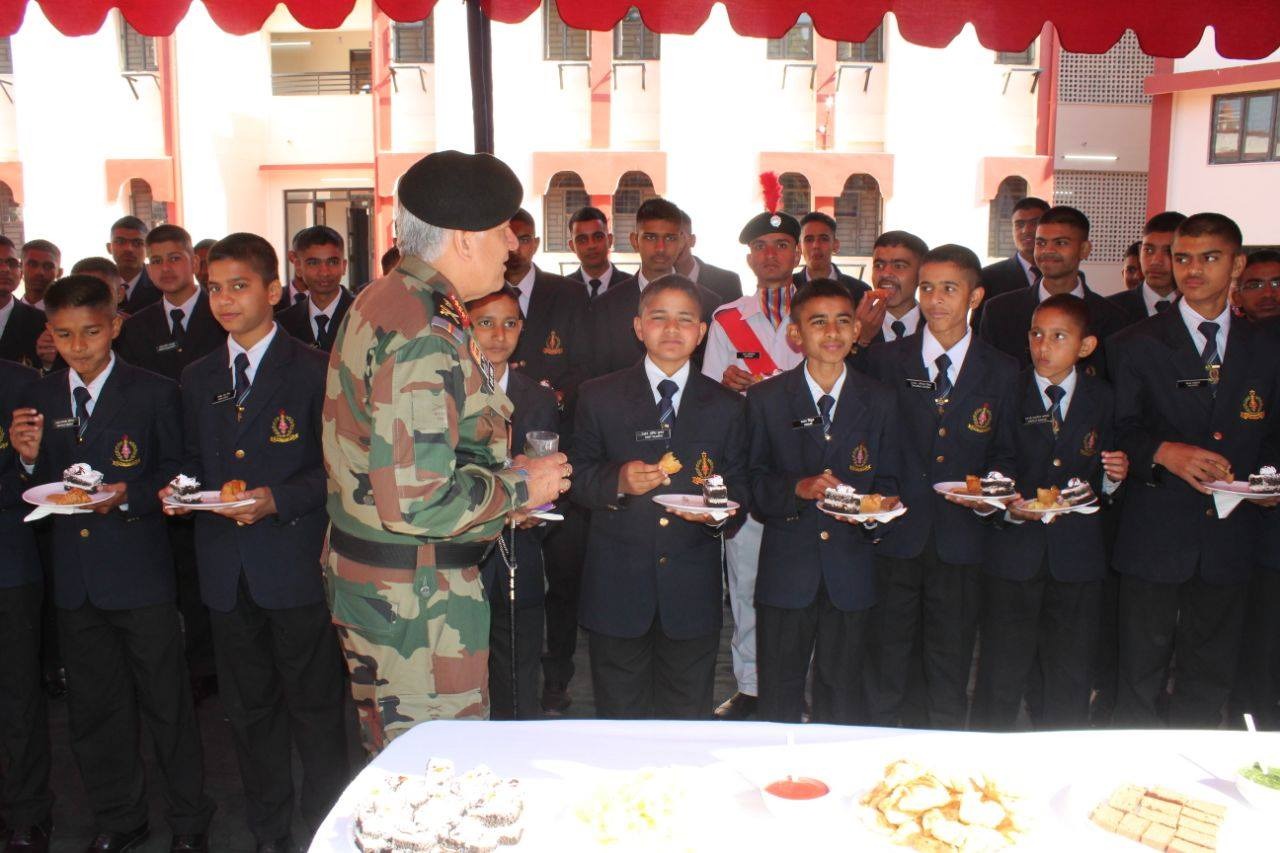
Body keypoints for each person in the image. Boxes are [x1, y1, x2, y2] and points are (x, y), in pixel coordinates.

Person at [322, 150, 568, 753]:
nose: (513, 244)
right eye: (503, 228)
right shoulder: (424, 332)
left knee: (402, 762)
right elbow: (417, 500)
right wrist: (521, 487)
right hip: (417, 605)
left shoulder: (391, 297)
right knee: (434, 776)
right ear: (462, 240)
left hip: (395, 589)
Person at [8, 276, 214, 853]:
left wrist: (128, 494)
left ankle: (190, 820)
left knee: (167, 704)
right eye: (65, 334)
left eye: (92, 332)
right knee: (95, 711)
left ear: (116, 326)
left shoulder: (152, 391)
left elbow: (181, 473)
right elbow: (37, 484)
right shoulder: (42, 397)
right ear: (49, 332)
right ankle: (118, 817)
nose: (79, 345)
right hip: (74, 580)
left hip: (141, 573)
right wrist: (27, 463)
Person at [165, 233, 350, 852]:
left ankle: (326, 826)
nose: (224, 299)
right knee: (248, 714)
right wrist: (182, 492)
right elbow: (191, 461)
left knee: (316, 709)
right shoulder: (196, 375)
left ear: (275, 290)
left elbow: (339, 471)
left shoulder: (315, 370)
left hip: (293, 563)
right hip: (226, 571)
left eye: (239, 286)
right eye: (214, 287)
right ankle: (269, 832)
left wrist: (278, 498)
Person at [1109, 212, 1280, 728]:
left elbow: (1273, 437)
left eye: (1210, 257)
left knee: (1210, 672)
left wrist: (1270, 483)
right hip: (1155, 530)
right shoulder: (1134, 343)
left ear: (1237, 264)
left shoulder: (1267, 347)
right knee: (1138, 671)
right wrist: (1162, 452)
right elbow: (1115, 431)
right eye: (1182, 257)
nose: (1192, 269)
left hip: (1232, 534)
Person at [858, 245, 1020, 729]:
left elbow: (1007, 453)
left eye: (949, 288)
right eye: (927, 287)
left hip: (962, 538)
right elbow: (866, 443)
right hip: (896, 534)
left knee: (949, 660)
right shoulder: (884, 361)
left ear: (975, 296)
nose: (935, 299)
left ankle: (943, 757)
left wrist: (992, 495)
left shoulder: (1003, 369)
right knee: (886, 658)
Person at [571, 275, 747, 719]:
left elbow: (741, 486)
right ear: (638, 327)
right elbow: (577, 476)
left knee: (687, 721)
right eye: (659, 318)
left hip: (690, 594)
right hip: (617, 591)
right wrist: (618, 481)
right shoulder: (598, 396)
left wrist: (720, 516)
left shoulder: (727, 406)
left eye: (685, 319)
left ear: (702, 332)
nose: (672, 329)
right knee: (619, 721)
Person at [972, 294, 1128, 731]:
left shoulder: (1105, 398)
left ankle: (1062, 755)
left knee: (1070, 669)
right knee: (1001, 668)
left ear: (1085, 346)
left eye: (1059, 337)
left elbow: (1108, 481)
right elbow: (992, 461)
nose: (1044, 346)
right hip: (1014, 552)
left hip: (1076, 557)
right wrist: (1006, 506)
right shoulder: (1008, 390)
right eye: (1037, 334)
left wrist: (1115, 477)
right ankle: (988, 756)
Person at [748, 279, 900, 724]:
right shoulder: (766, 400)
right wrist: (797, 488)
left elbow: (890, 481)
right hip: (787, 571)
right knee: (778, 692)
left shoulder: (882, 400)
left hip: (851, 572)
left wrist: (875, 514)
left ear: (857, 331)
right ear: (796, 335)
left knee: (844, 693)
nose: (832, 333)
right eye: (818, 322)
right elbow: (754, 484)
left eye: (843, 321)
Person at [699, 207, 807, 721]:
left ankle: (805, 685)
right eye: (762, 246)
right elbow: (709, 396)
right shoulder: (726, 318)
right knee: (745, 581)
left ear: (798, 253)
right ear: (749, 257)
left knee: (811, 582)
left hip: (807, 468)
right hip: (750, 465)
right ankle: (752, 685)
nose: (771, 254)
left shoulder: (819, 313)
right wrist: (725, 385)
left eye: (782, 244)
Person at [502, 209, 593, 716]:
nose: (511, 249)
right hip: (497, 457)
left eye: (519, 240)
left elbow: (588, 361)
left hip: (559, 441)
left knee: (560, 576)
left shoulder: (567, 293)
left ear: (533, 242)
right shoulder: (475, 294)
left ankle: (556, 679)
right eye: (504, 240)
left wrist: (547, 393)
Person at [466, 288, 559, 720]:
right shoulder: (447, 388)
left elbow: (551, 471)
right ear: (466, 326)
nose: (498, 334)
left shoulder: (537, 396)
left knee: (519, 665)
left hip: (519, 548)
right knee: (464, 668)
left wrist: (534, 507)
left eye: (509, 323)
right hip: (462, 551)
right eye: (485, 322)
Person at [0, 358, 53, 853]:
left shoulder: (20, 384)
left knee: (17, 696)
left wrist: (27, 462)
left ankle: (27, 812)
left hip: (8, 563)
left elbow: (37, 479)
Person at [979, 205, 1126, 378]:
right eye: (1041, 243)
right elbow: (986, 380)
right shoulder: (999, 312)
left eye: (1060, 243)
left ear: (1084, 249)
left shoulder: (1115, 319)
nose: (1048, 251)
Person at [1229, 248, 1280, 730]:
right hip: (1256, 526)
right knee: (1259, 641)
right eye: (1257, 284)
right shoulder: (1236, 347)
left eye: (1276, 283)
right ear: (1238, 289)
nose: (1268, 293)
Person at [588, 198, 723, 376]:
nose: (660, 248)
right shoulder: (605, 307)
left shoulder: (709, 304)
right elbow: (597, 374)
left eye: (670, 238)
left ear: (682, 242)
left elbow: (712, 372)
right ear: (635, 240)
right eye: (651, 237)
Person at [115, 224, 227, 382]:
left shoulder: (224, 315)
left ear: (194, 263)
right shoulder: (135, 327)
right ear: (148, 269)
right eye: (156, 261)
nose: (165, 268)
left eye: (174, 258)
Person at [277, 225, 354, 353]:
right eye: (313, 263)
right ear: (298, 267)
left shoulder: (364, 315)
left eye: (332, 262)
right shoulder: (283, 324)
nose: (324, 272)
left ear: (344, 266)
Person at [1108, 212, 1187, 326]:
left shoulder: (1201, 309)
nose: (1155, 261)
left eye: (1168, 251)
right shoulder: (1109, 310)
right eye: (1148, 250)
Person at [858, 230, 928, 347]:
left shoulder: (937, 326)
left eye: (899, 266)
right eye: (879, 265)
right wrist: (861, 338)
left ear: (921, 274)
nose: (885, 274)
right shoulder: (850, 325)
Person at [793, 211, 870, 301]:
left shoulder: (860, 292)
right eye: (809, 239)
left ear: (835, 245)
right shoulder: (787, 289)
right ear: (799, 247)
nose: (816, 245)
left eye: (824, 239)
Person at [674, 209, 744, 302]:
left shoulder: (727, 281)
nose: (676, 245)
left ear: (692, 240)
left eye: (680, 236)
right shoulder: (653, 282)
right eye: (668, 238)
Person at [0, 236, 47, 369]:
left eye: (12, 263)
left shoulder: (42, 323)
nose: (5, 269)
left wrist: (48, 364)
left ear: (20, 273)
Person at [564, 206, 623, 301]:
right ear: (572, 246)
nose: (591, 245)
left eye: (598, 237)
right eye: (582, 240)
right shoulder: (561, 290)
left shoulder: (633, 287)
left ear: (610, 240)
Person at [108, 216, 161, 315]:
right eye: (120, 242)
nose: (129, 249)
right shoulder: (100, 286)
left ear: (148, 250)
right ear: (109, 248)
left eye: (137, 243)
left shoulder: (161, 286)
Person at [1231, 249, 1280, 323]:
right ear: (1237, 298)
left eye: (1277, 284)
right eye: (1255, 285)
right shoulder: (1222, 333)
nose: (1268, 294)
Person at [19, 240, 60, 311]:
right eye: (32, 264)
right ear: (20, 267)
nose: (39, 272)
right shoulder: (6, 311)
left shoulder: (69, 315)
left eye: (48, 266)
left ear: (59, 272)